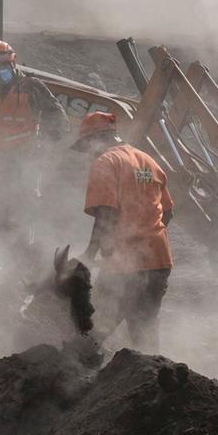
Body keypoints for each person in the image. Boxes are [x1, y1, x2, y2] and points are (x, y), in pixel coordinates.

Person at [71, 111, 174, 347]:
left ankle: (77, 380)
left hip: (124, 264)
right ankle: (154, 378)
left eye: (86, 147)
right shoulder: (148, 161)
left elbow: (106, 214)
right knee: (144, 332)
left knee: (94, 328)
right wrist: (147, 236)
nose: (88, 154)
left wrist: (89, 254)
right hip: (159, 261)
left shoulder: (105, 163)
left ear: (92, 140)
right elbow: (168, 212)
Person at [0, 41, 64, 205]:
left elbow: (56, 114)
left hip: (25, 155)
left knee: (24, 202)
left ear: (13, 62)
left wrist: (46, 142)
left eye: (4, 65)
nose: (1, 70)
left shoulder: (31, 86)